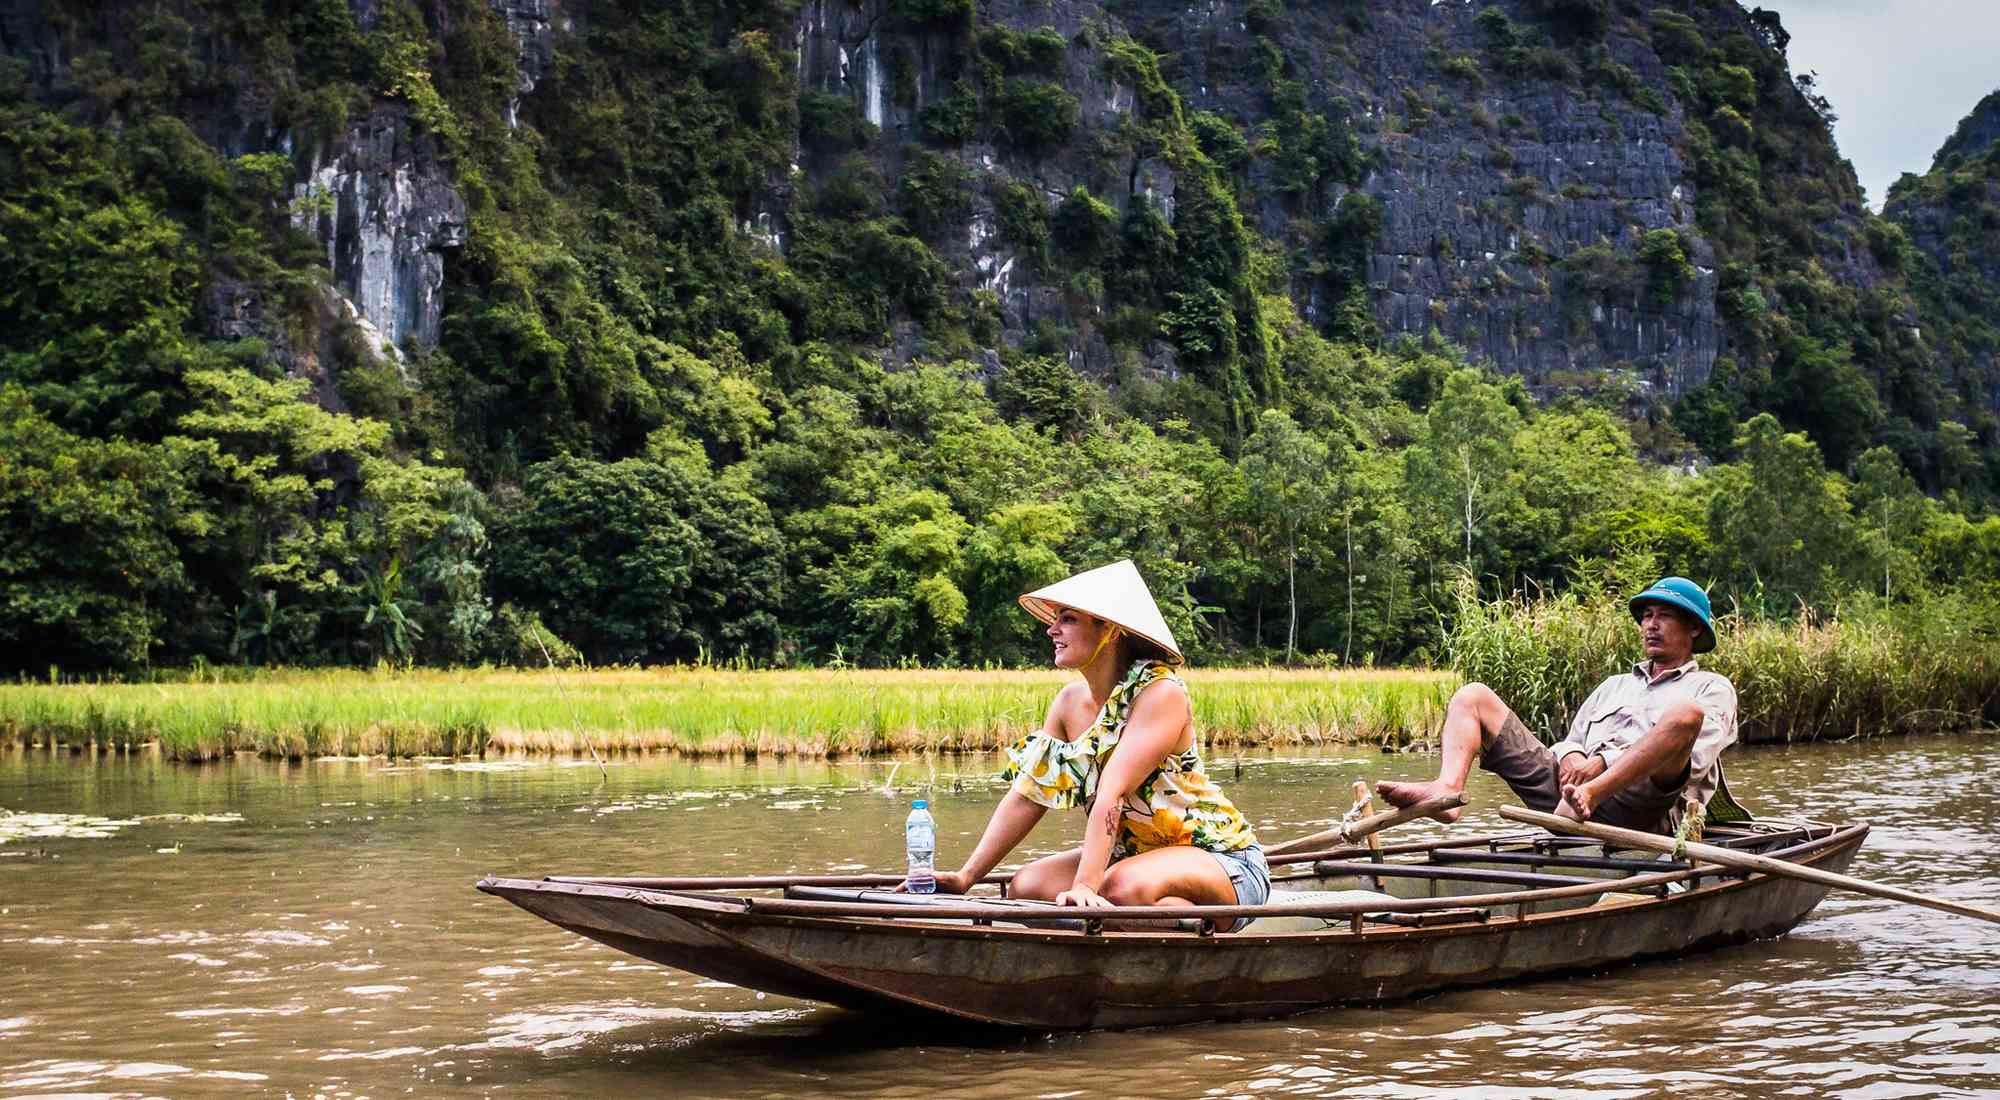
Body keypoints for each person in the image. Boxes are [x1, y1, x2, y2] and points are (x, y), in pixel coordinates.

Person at [917, 559, 1271, 925]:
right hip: (1134, 856)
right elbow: (1028, 795)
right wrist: (967, 877)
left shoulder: (1160, 692)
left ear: (1111, 630)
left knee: (1119, 887)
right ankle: (1128, 934)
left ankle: (1191, 933)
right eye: (1054, 619)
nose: (1051, 630)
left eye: (1068, 619)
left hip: (1221, 861)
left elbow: (1112, 794)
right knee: (1027, 887)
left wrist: (1086, 886)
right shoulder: (1069, 703)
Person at [1378, 577, 1738, 833]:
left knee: (1685, 713)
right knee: (1474, 696)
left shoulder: (1710, 687)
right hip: (1569, 795)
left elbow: (1694, 762)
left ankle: (1590, 796)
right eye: (1647, 616)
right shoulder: (1615, 686)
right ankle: (1447, 788)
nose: (1651, 625)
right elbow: (1572, 738)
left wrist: (1599, 768)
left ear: (1693, 628)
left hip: (1645, 807)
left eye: (1665, 616)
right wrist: (1572, 756)